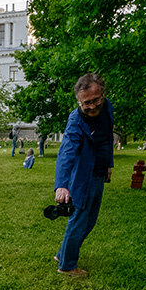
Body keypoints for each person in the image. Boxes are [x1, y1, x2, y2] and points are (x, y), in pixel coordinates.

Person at [53, 73, 114, 278]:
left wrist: (108, 165)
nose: (91, 106)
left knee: (89, 222)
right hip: (81, 177)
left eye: (96, 100)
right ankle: (67, 266)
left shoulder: (108, 108)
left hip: (98, 174)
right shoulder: (75, 120)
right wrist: (62, 184)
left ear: (103, 94)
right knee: (79, 220)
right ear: (79, 102)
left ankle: (62, 254)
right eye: (86, 103)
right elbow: (66, 152)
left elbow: (106, 139)